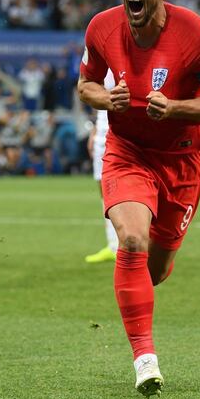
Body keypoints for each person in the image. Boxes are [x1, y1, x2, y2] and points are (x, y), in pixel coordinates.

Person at [77, 0, 200, 397]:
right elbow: (85, 84)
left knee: (157, 269)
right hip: (127, 150)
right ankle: (145, 359)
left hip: (182, 162)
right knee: (130, 239)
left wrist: (179, 108)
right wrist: (107, 99)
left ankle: (136, 299)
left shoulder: (197, 35)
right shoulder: (102, 28)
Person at [84, 69, 119, 264]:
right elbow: (93, 90)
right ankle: (113, 245)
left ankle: (139, 243)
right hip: (102, 130)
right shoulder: (99, 49)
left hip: (123, 129)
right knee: (103, 189)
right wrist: (96, 130)